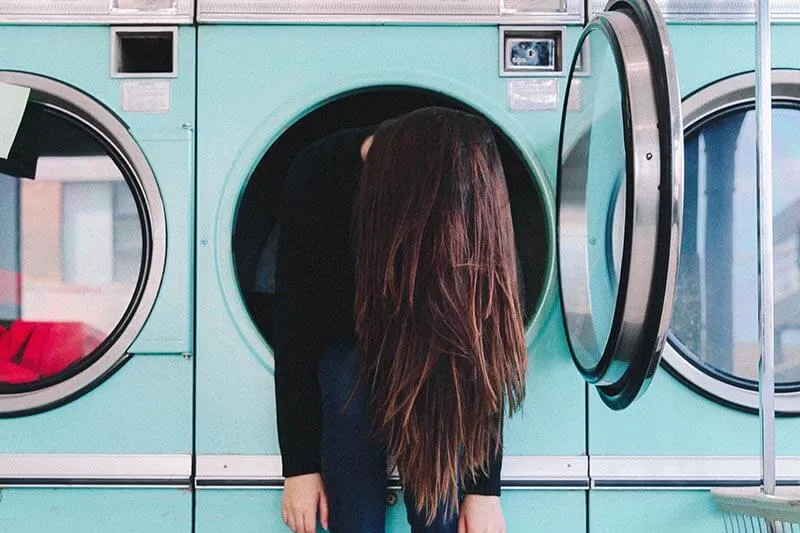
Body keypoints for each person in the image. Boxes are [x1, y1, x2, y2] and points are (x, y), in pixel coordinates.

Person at [273, 107, 528, 533]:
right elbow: (294, 332)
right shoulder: (318, 176)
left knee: (441, 512)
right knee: (343, 371)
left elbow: (486, 334)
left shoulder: (467, 170)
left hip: (436, 362)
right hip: (348, 366)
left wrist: (484, 490)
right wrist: (298, 467)